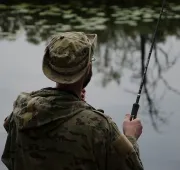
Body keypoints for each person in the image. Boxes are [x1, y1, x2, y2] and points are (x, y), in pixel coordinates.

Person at [1, 32, 144, 170]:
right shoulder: (99, 127)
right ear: (88, 67)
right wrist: (131, 137)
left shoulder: (21, 111)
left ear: (50, 68)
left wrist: (74, 105)